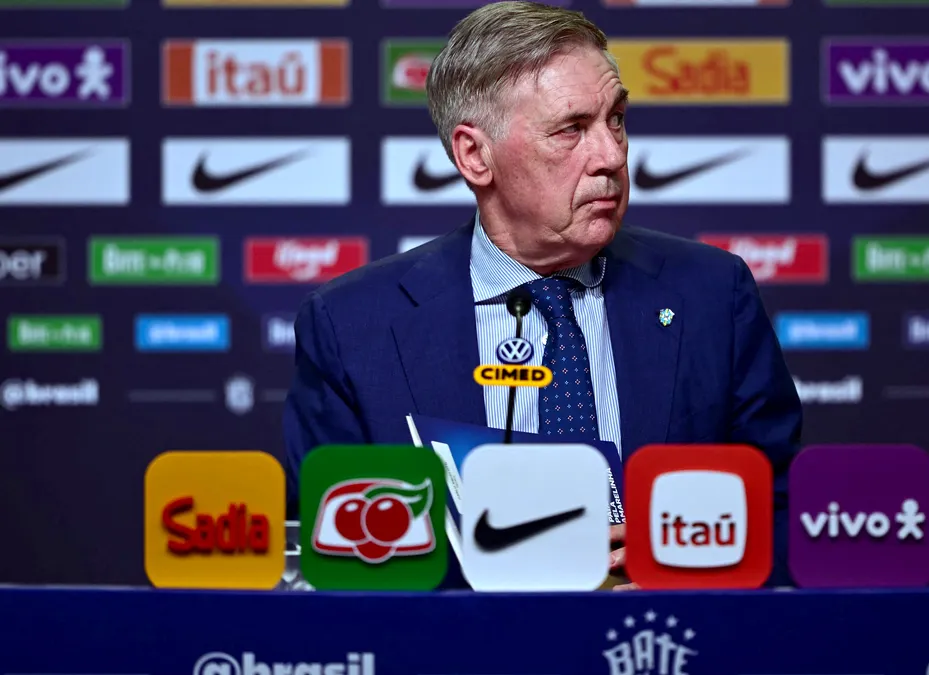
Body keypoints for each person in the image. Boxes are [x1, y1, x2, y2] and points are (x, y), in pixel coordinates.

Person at [283, 0, 803, 589]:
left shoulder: (711, 294)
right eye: (571, 130)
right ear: (475, 155)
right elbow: (334, 554)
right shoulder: (353, 326)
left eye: (616, 119)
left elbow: (782, 510)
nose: (611, 155)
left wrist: (684, 567)